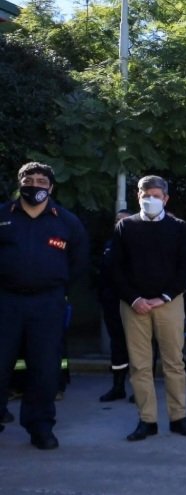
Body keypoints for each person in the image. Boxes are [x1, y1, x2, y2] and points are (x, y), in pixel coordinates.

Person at [0, 162, 89, 449]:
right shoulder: (3, 216)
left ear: (51, 187)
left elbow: (78, 263)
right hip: (6, 301)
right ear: (19, 183)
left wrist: (57, 290)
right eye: (29, 180)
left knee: (44, 367)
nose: (35, 185)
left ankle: (40, 426)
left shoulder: (67, 221)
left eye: (41, 181)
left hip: (47, 303)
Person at [111, 175, 186, 441]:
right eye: (145, 194)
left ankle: (178, 417)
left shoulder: (179, 227)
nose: (150, 199)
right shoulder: (125, 227)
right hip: (134, 305)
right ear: (137, 196)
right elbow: (115, 268)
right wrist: (134, 298)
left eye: (156, 195)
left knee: (174, 363)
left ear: (166, 198)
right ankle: (146, 420)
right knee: (140, 365)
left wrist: (165, 296)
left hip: (169, 303)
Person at [98, 209, 132, 402]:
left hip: (132, 303)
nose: (120, 223)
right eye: (117, 219)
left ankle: (140, 389)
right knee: (117, 345)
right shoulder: (110, 245)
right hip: (111, 302)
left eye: (124, 220)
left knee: (138, 347)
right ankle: (118, 386)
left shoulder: (139, 244)